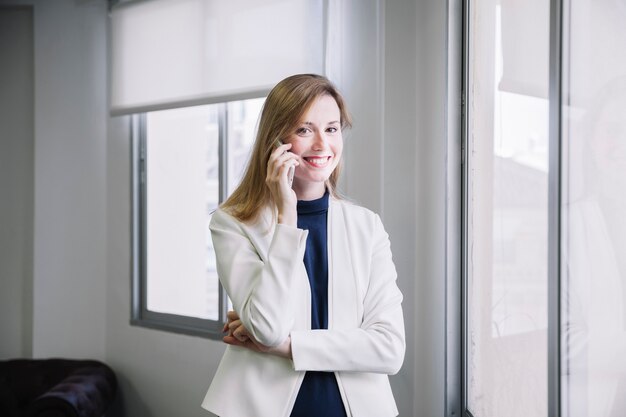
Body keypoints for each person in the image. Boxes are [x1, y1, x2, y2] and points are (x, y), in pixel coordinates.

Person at [201, 74, 405, 417]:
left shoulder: (367, 226)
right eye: (304, 130)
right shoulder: (232, 223)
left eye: (332, 128)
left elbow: (389, 349)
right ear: (276, 139)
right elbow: (267, 328)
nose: (323, 145)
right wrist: (286, 217)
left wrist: (287, 347)